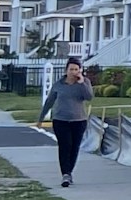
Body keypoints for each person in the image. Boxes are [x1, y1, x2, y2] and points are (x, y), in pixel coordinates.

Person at [38, 56, 93, 187]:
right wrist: (41, 118)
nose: (74, 72)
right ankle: (65, 174)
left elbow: (89, 97)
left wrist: (81, 83)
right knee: (65, 146)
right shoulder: (59, 85)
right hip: (60, 120)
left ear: (80, 70)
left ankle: (69, 173)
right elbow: (49, 101)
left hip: (79, 121)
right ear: (66, 70)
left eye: (76, 69)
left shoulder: (84, 83)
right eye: (71, 69)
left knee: (74, 148)